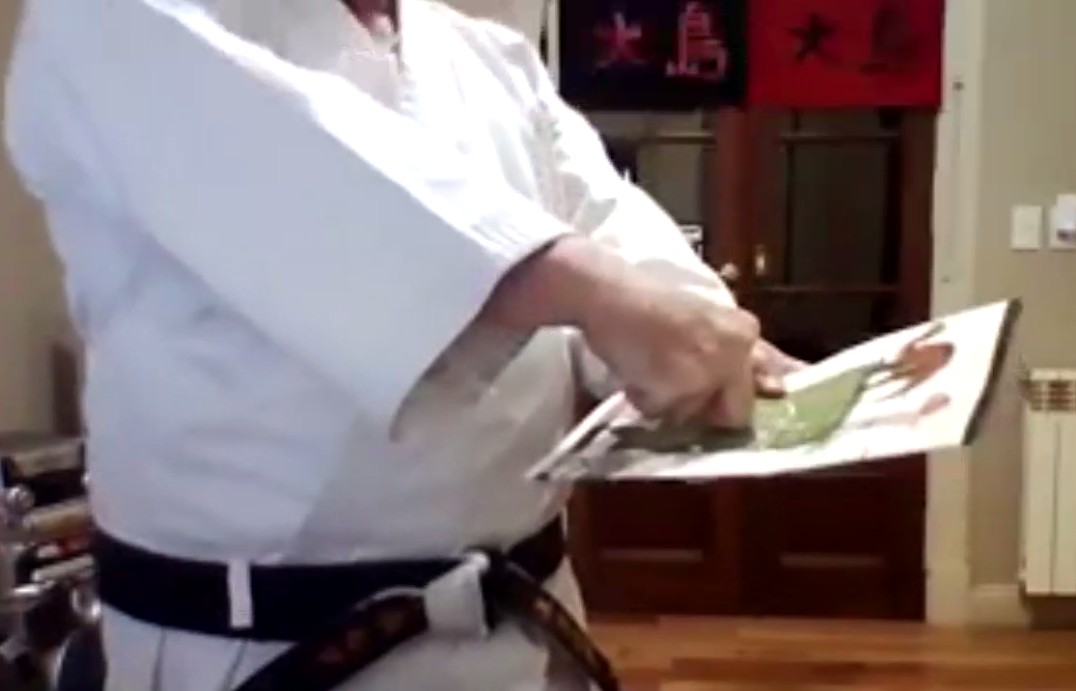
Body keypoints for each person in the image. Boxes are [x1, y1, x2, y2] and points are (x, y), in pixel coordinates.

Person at [3, 0, 802, 689]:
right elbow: (339, 197)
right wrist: (605, 298)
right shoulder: (114, 21)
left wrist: (706, 338)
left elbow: (607, 227)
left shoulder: (488, 57)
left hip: (527, 629)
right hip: (258, 647)